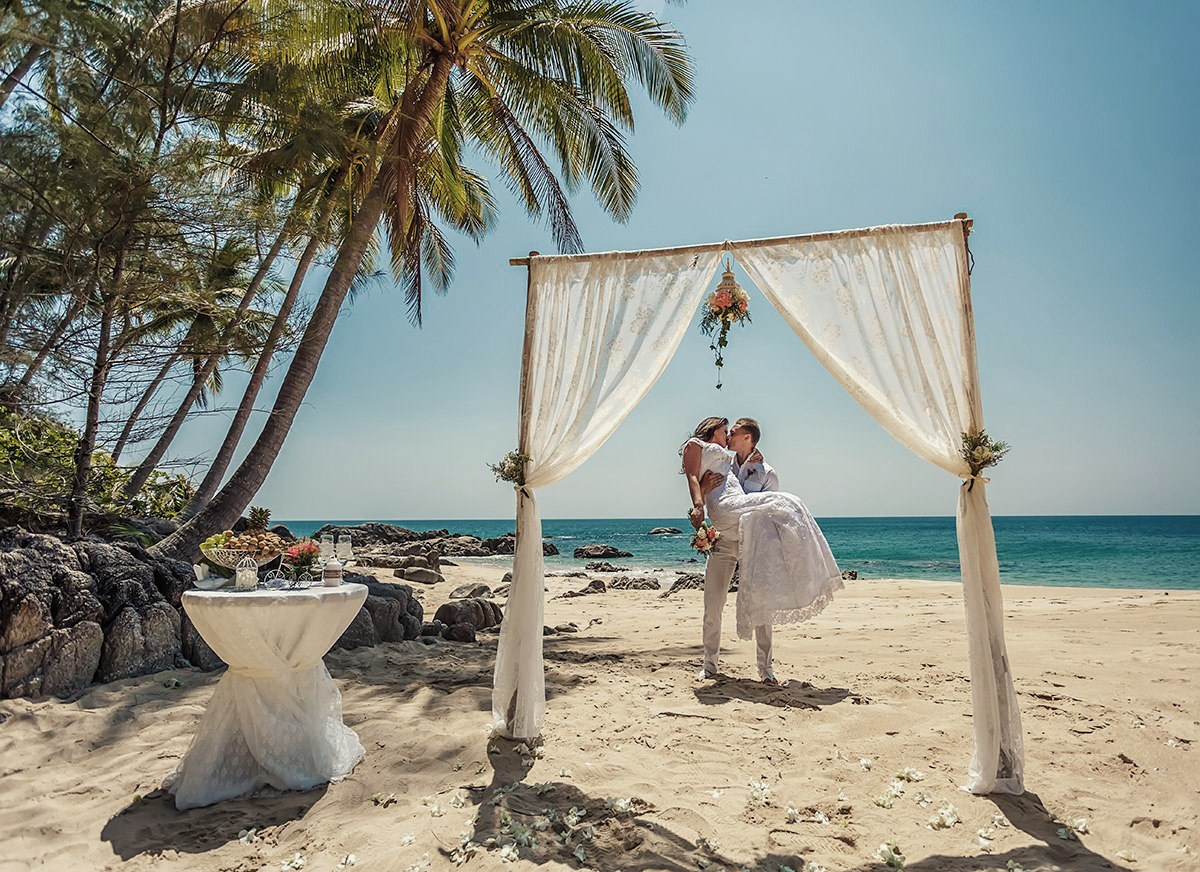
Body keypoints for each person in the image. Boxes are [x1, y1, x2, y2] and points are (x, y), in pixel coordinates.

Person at [681, 416, 842, 684]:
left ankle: (765, 669)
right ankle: (709, 665)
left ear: (747, 438)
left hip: (752, 543)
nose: (728, 437)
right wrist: (702, 497)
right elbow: (698, 478)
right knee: (713, 603)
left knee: (761, 604)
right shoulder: (725, 460)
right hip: (722, 542)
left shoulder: (766, 472)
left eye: (733, 433)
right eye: (725, 432)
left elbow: (768, 518)